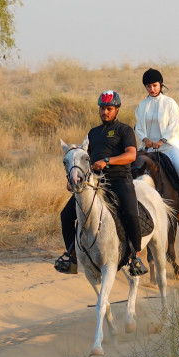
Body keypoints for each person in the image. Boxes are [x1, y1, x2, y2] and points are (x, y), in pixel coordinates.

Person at [55, 91, 149, 276]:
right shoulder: (93, 133)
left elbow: (131, 155)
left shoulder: (125, 130)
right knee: (66, 215)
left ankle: (136, 256)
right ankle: (72, 257)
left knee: (130, 212)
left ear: (116, 110)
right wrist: (75, 180)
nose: (105, 112)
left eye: (109, 109)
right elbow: (85, 159)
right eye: (102, 108)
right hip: (96, 183)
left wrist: (107, 161)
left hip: (120, 180)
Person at [135, 68, 179, 216]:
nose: (152, 89)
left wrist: (162, 141)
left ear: (160, 84)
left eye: (154, 85)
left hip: (167, 146)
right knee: (133, 168)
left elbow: (174, 125)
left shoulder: (169, 103)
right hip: (148, 148)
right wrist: (146, 140)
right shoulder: (142, 106)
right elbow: (139, 127)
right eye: (148, 86)